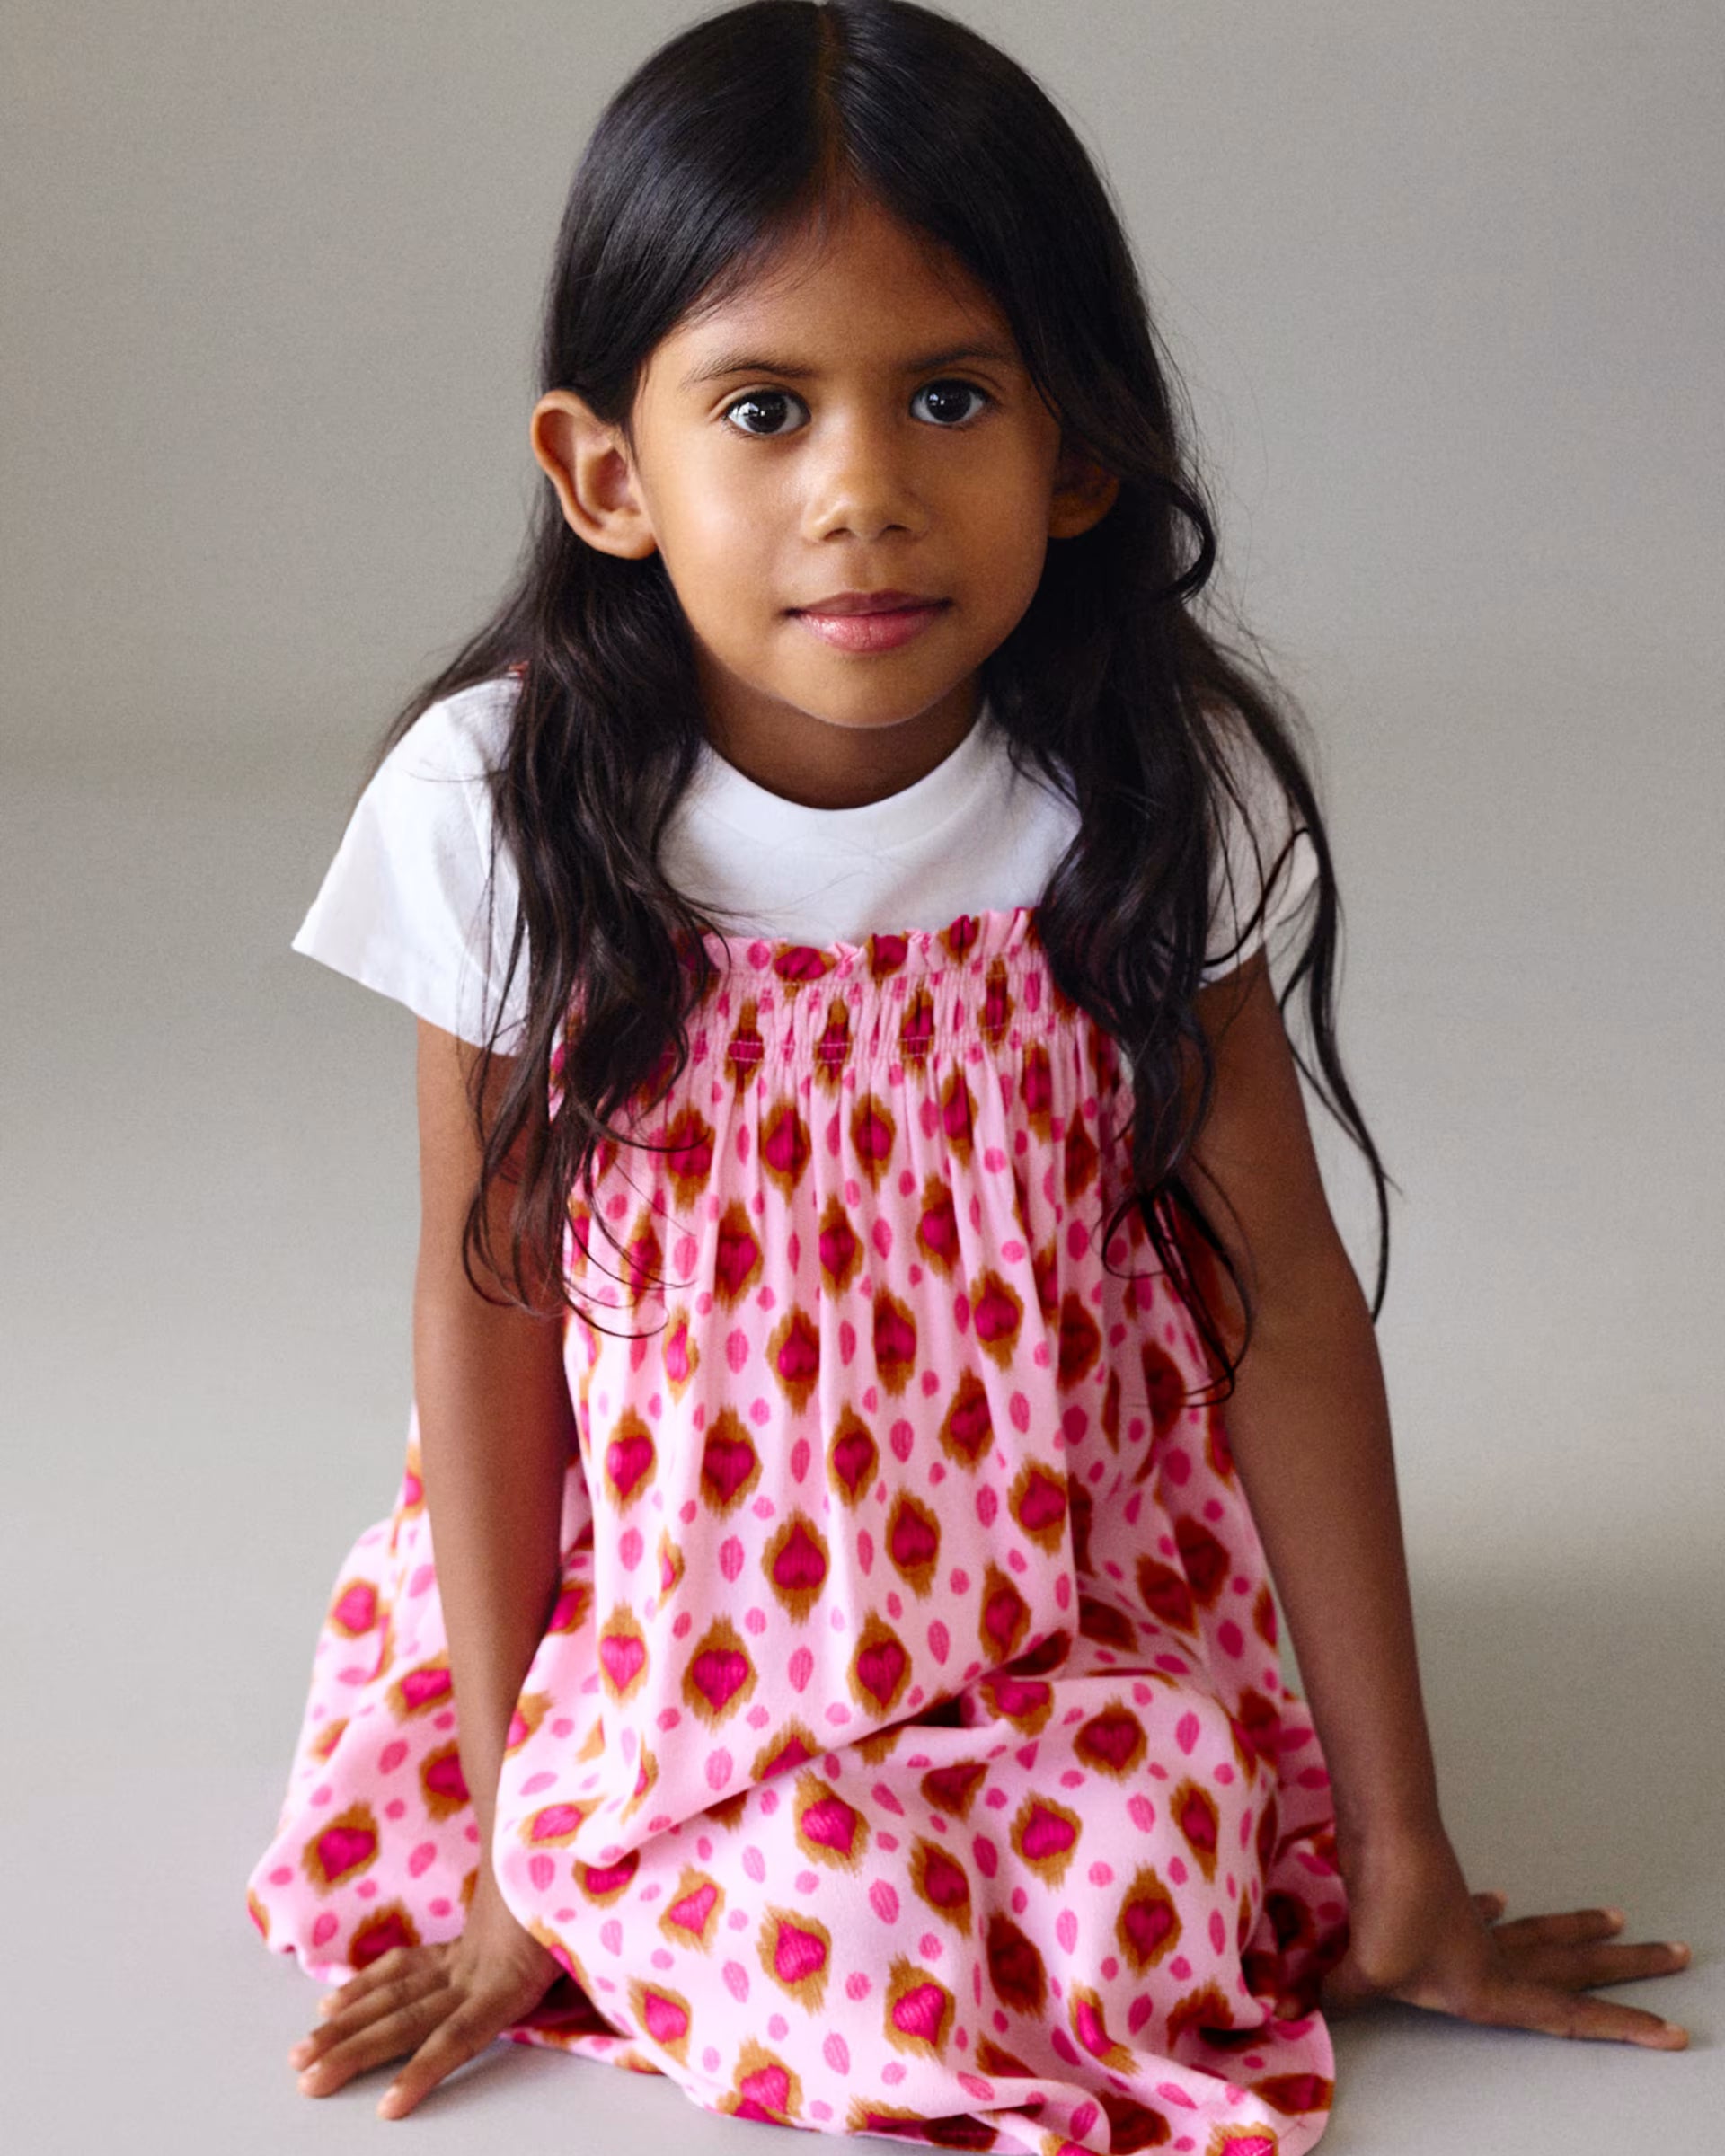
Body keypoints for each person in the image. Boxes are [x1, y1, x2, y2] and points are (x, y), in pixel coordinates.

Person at [248, 3, 1691, 2146]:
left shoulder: (1130, 785)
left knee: (1140, 1931)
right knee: (859, 1981)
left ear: (1077, 454)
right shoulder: (509, 802)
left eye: (949, 396)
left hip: (1054, 1579)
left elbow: (1279, 1301)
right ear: (609, 475)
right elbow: (490, 1300)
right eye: (764, 408)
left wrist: (1404, 1865)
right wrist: (512, 1831)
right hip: (679, 1612)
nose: (866, 494)